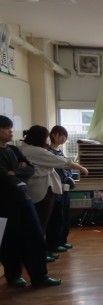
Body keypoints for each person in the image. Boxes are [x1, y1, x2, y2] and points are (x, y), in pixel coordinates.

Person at [0, 116, 62, 287]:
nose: (10, 131)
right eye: (5, 128)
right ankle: (13, 276)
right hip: (3, 203)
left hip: (24, 198)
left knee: (35, 237)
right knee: (9, 240)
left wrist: (15, 172)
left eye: (10, 127)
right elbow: (3, 177)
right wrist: (16, 172)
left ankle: (40, 277)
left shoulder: (14, 149)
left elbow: (30, 169)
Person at [21, 125, 88, 254]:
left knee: (55, 219)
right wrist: (81, 168)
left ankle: (48, 248)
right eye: (46, 137)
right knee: (44, 223)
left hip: (51, 189)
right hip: (41, 190)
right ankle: (42, 252)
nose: (47, 140)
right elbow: (61, 162)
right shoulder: (37, 151)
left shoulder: (33, 149)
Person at [46, 125, 75, 252]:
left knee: (65, 215)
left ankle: (63, 240)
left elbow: (66, 168)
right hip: (55, 189)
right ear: (53, 135)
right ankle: (55, 243)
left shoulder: (59, 151)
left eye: (66, 136)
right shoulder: (48, 151)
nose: (64, 138)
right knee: (57, 217)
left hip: (65, 188)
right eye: (62, 135)